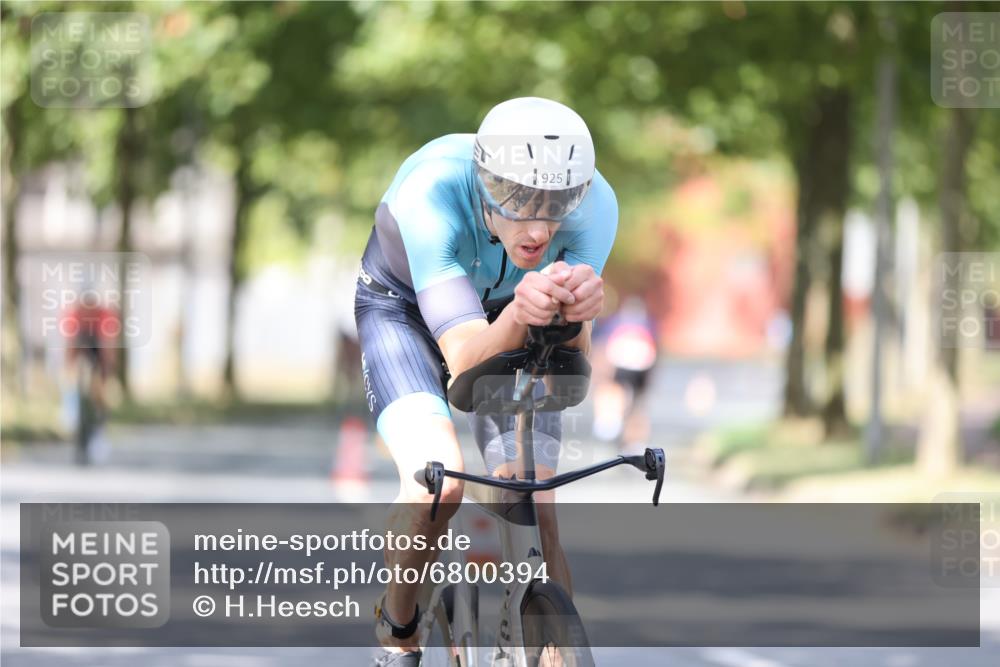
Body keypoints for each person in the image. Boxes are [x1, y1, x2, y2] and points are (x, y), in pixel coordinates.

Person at [354, 97, 617, 666]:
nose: (541, 227)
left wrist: (575, 319)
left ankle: (550, 644)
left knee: (534, 490)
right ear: (485, 184)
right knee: (438, 487)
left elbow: (572, 363)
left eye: (558, 204)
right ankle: (398, 637)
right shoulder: (433, 192)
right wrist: (521, 316)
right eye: (520, 201)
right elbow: (466, 362)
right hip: (406, 313)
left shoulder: (598, 207)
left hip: (515, 312)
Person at [591, 296, 659, 453]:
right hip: (639, 364)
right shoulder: (647, 323)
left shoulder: (615, 322)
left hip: (626, 364)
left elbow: (602, 345)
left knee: (621, 396)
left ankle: (615, 425)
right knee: (635, 403)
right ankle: (631, 437)